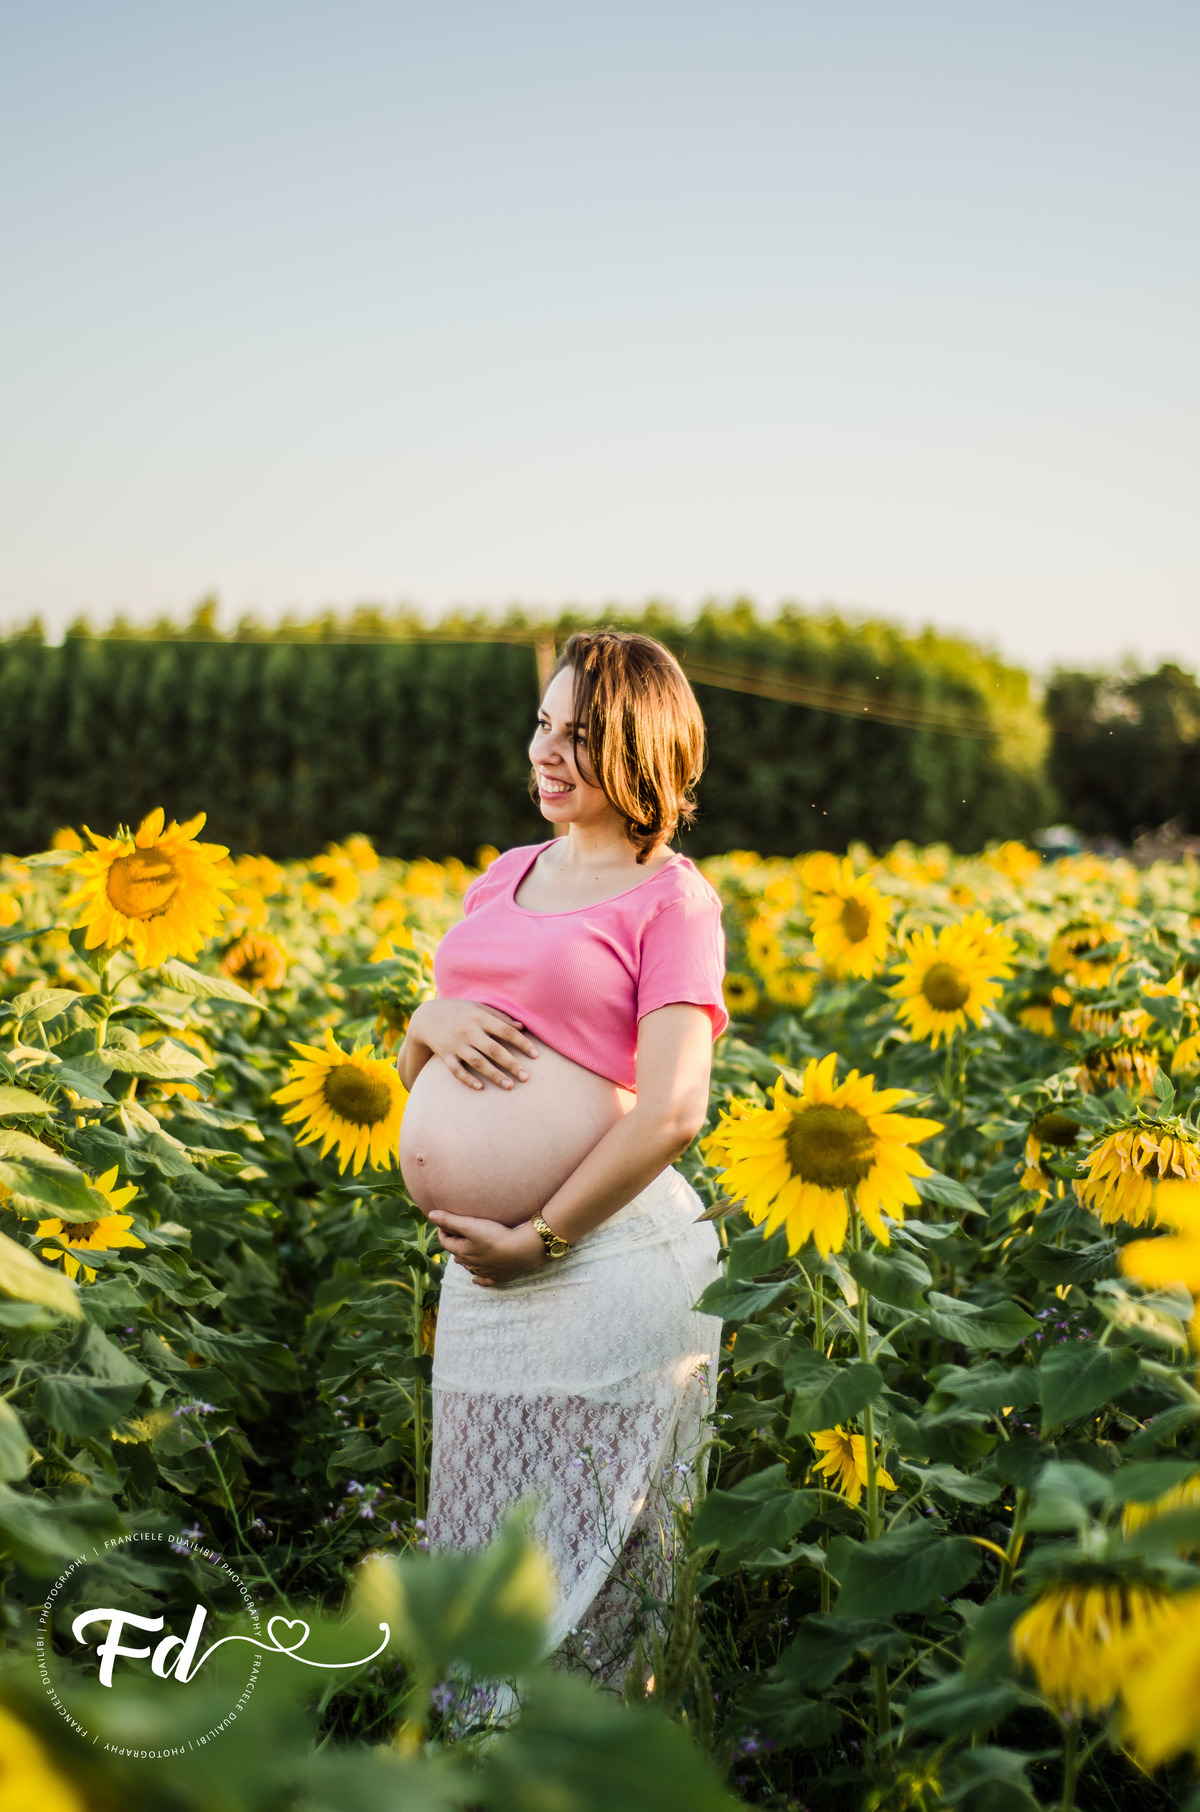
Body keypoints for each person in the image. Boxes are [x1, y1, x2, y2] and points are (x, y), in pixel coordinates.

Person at [393, 628, 728, 1695]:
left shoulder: (672, 900)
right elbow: (421, 1065)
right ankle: (473, 1761)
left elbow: (674, 1106)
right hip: (487, 1271)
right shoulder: (503, 877)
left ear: (640, 751)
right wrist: (431, 1017)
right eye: (543, 724)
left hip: (599, 1259)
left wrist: (541, 1236)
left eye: (579, 735)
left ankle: (577, 1769)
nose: (547, 751)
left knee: (593, 1537)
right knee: (485, 1530)